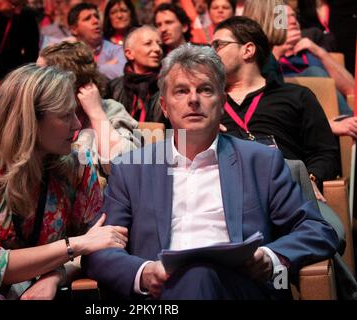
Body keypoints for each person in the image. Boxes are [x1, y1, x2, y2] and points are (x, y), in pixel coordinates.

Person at [82, 44, 339, 299]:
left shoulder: (261, 162)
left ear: (222, 102)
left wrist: (270, 257)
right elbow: (99, 249)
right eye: (181, 91)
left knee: (200, 274)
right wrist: (143, 273)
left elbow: (317, 231)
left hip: (241, 289)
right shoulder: (131, 169)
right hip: (161, 295)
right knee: (194, 276)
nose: (194, 99)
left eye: (205, 90)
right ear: (164, 106)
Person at [0, 64, 128, 300]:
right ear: (29, 120)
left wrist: (55, 276)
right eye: (65, 115)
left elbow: (99, 244)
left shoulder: (77, 163)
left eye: (75, 113)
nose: (77, 125)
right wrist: (71, 247)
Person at [212, 16, 340, 201]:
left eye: (218, 45)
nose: (211, 53)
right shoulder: (206, 104)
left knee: (333, 229)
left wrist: (310, 178)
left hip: (288, 193)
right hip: (228, 197)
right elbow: (174, 152)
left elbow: (325, 153)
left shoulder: (296, 96)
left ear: (248, 50)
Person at [37, 41, 141, 174]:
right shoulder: (40, 112)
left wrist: (96, 113)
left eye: (42, 77)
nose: (36, 82)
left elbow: (127, 167)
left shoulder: (109, 110)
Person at [273, 5, 354, 116]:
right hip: (294, 110)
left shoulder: (312, 50)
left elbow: (351, 89)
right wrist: (278, 51)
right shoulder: (268, 54)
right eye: (285, 18)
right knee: (314, 72)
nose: (293, 21)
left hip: (326, 111)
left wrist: (318, 51)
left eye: (294, 16)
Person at [106, 26, 165, 123]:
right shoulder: (113, 88)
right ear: (129, 54)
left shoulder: (168, 86)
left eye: (160, 44)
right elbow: (106, 127)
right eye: (148, 44)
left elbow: (180, 131)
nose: (157, 49)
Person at [68, 2, 126, 80]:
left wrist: (89, 70)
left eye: (97, 17)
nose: (95, 21)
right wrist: (105, 67)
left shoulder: (117, 50)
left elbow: (121, 72)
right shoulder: (67, 52)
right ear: (74, 30)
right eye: (87, 18)